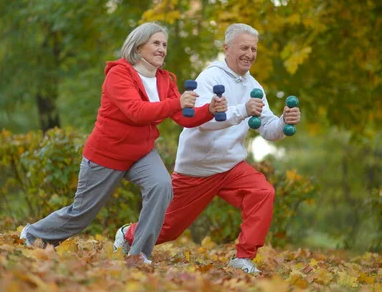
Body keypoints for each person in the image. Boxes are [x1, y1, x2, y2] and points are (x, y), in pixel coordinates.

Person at [20, 22, 227, 264]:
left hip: (141, 153)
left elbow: (183, 117)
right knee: (82, 214)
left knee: (162, 186)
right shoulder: (118, 74)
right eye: (156, 43)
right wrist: (178, 102)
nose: (162, 49)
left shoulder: (165, 79)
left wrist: (209, 110)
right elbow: (136, 111)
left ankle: (138, 254)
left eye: (164, 45)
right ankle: (33, 233)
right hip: (107, 153)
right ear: (138, 47)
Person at [115, 23, 301, 273]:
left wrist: (282, 121)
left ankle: (243, 258)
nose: (249, 54)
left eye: (254, 49)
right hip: (197, 169)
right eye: (243, 47)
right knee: (169, 228)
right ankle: (128, 234)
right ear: (227, 48)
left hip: (231, 166)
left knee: (262, 192)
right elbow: (203, 121)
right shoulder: (210, 77)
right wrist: (242, 110)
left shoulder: (253, 85)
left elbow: (267, 128)